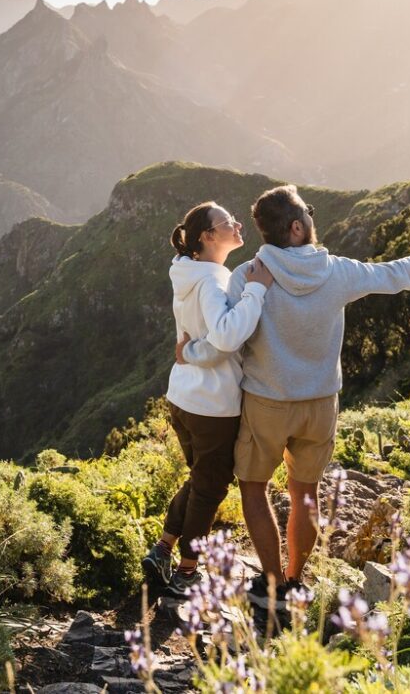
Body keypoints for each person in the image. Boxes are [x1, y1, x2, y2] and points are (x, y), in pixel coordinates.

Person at [178, 184, 410, 611]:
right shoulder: (337, 272)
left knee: (253, 488)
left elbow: (224, 339)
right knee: (305, 492)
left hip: (266, 402)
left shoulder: (249, 275)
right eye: (308, 211)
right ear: (296, 226)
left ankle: (269, 586)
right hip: (321, 403)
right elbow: (396, 275)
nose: (312, 215)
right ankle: (294, 581)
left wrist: (188, 352)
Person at [143, 201, 274, 596]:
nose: (236, 224)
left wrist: (189, 353)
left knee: (201, 478)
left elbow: (195, 336)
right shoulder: (214, 280)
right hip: (212, 403)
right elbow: (227, 336)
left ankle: (163, 548)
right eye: (226, 222)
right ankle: (186, 571)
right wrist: (256, 290)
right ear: (207, 236)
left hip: (182, 395)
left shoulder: (186, 272)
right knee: (211, 486)